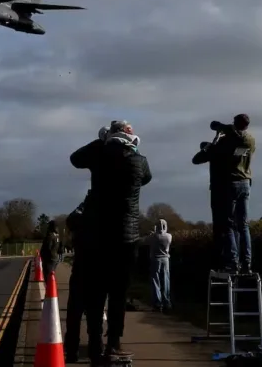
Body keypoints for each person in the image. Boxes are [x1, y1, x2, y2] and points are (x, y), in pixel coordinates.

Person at [70, 120, 152, 362]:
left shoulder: (98, 154)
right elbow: (146, 178)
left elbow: (75, 159)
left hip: (97, 236)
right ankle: (114, 344)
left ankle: (95, 343)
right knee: (118, 294)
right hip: (126, 237)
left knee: (96, 293)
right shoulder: (139, 160)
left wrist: (101, 140)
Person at [195, 114, 256, 274]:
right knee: (243, 225)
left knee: (228, 224)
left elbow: (201, 157)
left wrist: (216, 139)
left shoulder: (229, 141)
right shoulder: (250, 140)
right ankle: (247, 262)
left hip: (231, 183)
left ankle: (233, 262)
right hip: (246, 181)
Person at [64, 191, 89, 362]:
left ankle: (72, 351)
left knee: (74, 315)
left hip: (80, 271)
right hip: (98, 273)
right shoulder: (104, 219)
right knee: (94, 317)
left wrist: (83, 204)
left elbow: (70, 220)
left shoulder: (79, 221)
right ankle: (96, 350)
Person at [148, 218, 172, 312]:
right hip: (166, 259)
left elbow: (145, 241)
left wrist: (153, 233)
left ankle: (158, 303)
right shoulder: (169, 236)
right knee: (166, 280)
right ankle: (167, 302)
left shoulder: (153, 236)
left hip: (155, 259)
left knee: (155, 280)